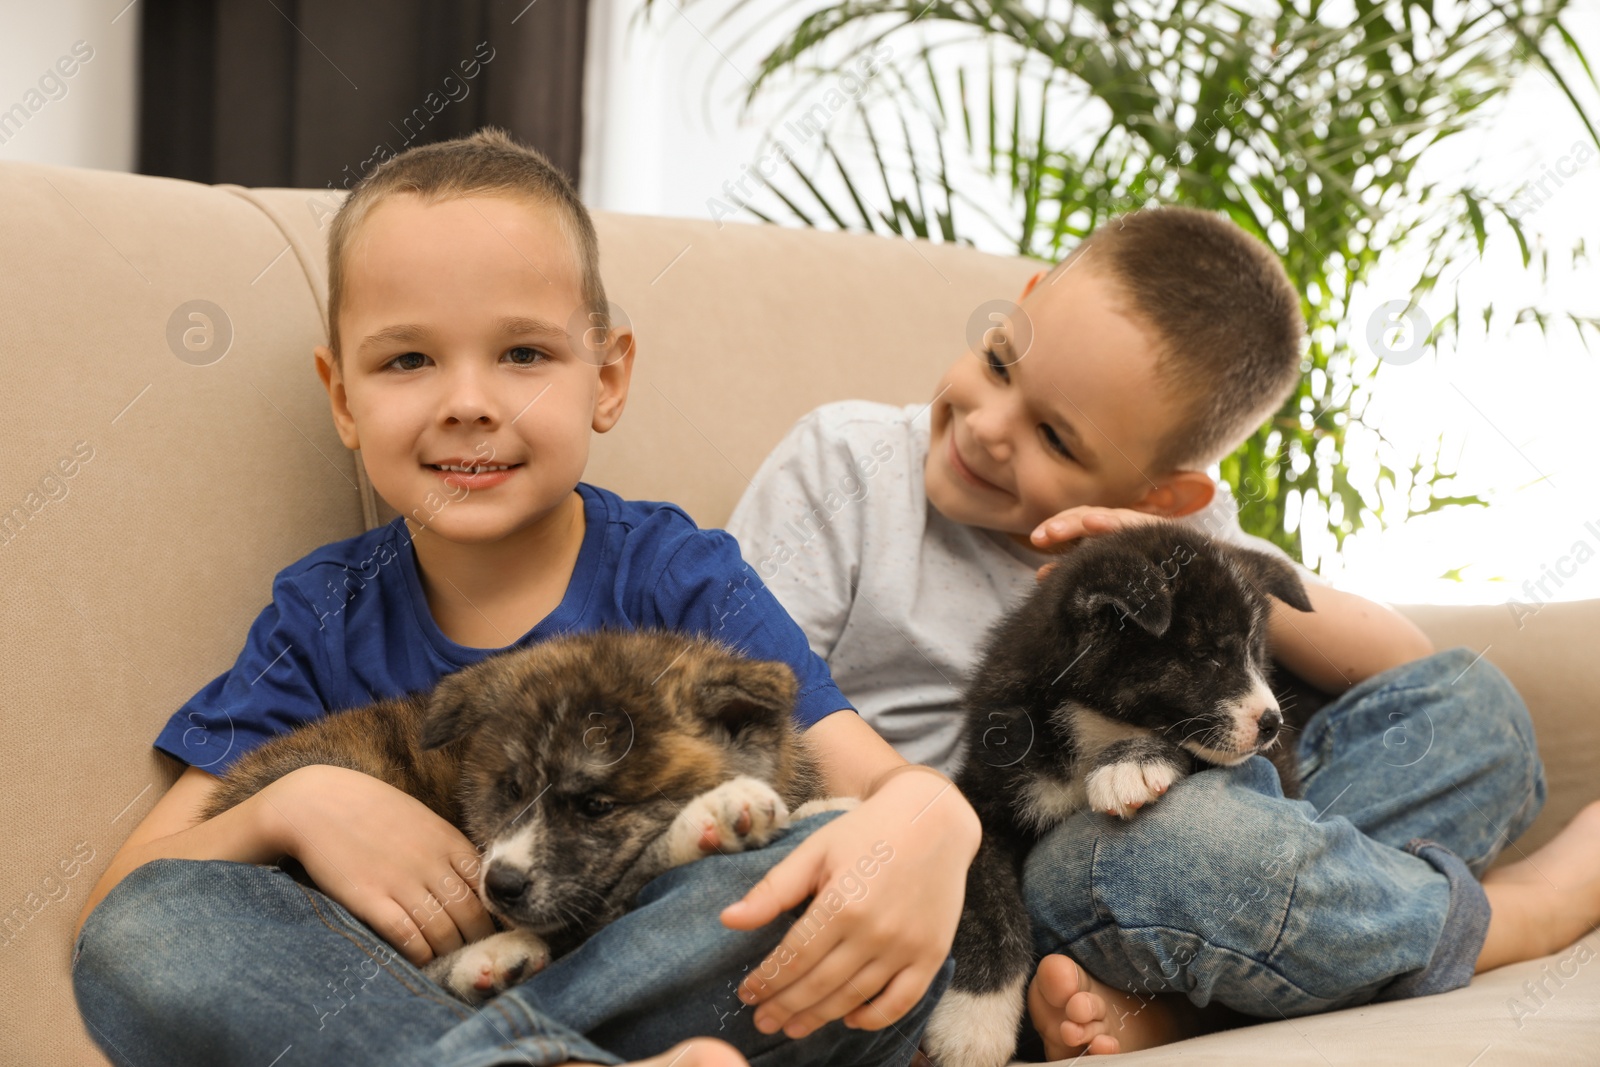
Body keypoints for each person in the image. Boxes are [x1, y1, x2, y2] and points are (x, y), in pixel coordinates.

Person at [71, 127, 981, 1067]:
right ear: (341, 396)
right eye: (408, 361)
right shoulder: (324, 613)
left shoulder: (677, 572)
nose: (469, 400)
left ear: (609, 377)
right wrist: (295, 804)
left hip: (656, 964)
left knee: (816, 873)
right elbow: (124, 898)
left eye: (522, 354)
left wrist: (938, 822)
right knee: (149, 930)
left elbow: (872, 787)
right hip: (397, 987)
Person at [725, 205, 1600, 1056]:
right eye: (998, 363)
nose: (989, 429)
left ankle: (1199, 997)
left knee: (1474, 709)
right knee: (1195, 850)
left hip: (1191, 813)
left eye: (1056, 439)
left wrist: (1167, 547)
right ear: (1018, 302)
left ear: (1162, 494)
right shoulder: (843, 463)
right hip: (1009, 875)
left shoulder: (1177, 541)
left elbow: (1410, 669)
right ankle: (1502, 919)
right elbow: (750, 702)